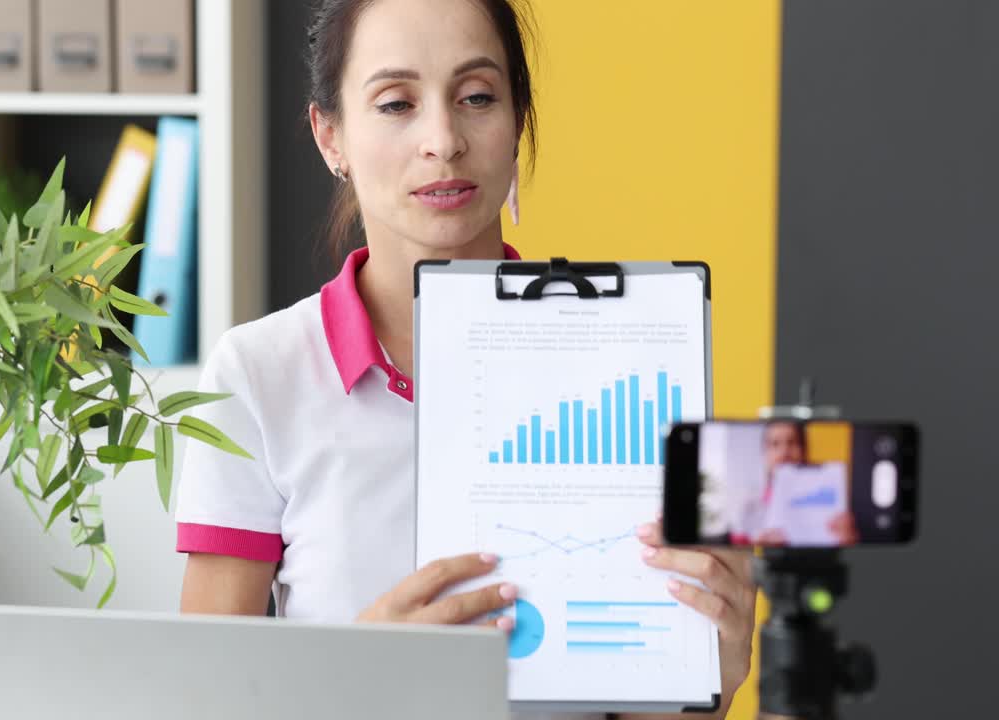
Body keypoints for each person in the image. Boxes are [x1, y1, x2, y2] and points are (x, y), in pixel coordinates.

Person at [173, 0, 756, 716]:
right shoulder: (258, 377)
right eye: (395, 103)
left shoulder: (629, 361)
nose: (443, 140)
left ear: (517, 121)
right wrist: (354, 679)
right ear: (332, 136)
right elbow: (198, 699)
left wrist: (710, 681)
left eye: (477, 97)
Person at [736, 422, 858, 547]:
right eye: (774, 444)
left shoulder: (840, 499)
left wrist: (850, 545)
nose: (784, 452)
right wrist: (758, 550)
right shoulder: (749, 505)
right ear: (765, 453)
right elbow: (738, 559)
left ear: (804, 451)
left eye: (792, 442)